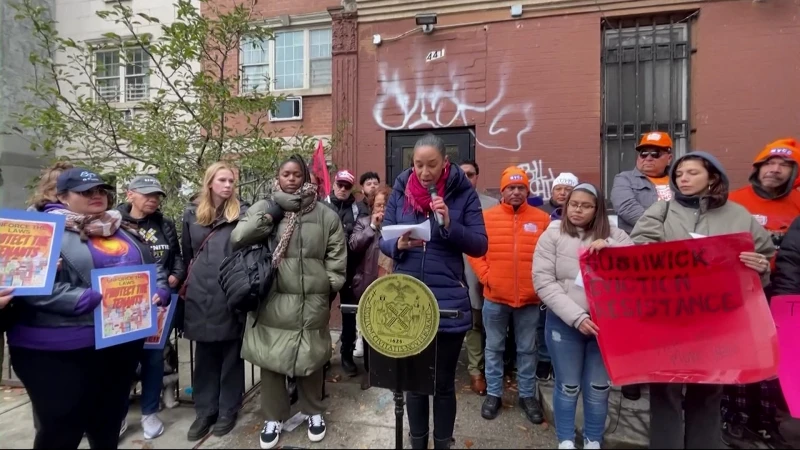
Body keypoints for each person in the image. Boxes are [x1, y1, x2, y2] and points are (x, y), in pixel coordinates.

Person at [7, 167, 169, 449]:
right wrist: (81, 298)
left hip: (118, 343)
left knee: (106, 423)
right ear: (62, 196)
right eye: (86, 192)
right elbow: (21, 282)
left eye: (100, 190)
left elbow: (150, 265)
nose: (96, 196)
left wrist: (159, 289)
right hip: (58, 350)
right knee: (62, 428)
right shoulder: (40, 228)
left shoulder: (121, 226)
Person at [630, 151, 774, 449]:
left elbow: (764, 261)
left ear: (713, 177)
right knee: (665, 393)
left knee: (709, 394)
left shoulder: (739, 215)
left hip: (718, 324)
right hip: (668, 320)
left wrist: (760, 269)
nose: (683, 178)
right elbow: (639, 255)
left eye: (692, 172)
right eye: (679, 173)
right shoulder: (661, 211)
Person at [379, 133, 488, 450]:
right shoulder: (401, 189)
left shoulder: (464, 194)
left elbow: (480, 245)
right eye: (418, 165)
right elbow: (384, 237)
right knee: (414, 384)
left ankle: (442, 443)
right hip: (407, 298)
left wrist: (450, 224)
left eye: (432, 165)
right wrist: (397, 244)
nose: (424, 173)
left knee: (441, 385)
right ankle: (417, 443)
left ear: (445, 163)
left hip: (447, 301)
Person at [230, 154, 346, 449]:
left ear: (305, 177)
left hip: (311, 301)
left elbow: (337, 256)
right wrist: (269, 213)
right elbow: (239, 236)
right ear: (277, 177)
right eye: (286, 174)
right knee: (271, 361)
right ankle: (273, 416)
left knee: (312, 359)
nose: (291, 179)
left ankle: (313, 412)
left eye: (297, 174)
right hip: (273, 299)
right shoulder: (267, 207)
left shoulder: (325, 214)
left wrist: (328, 285)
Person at [534, 183, 632, 450]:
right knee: (567, 385)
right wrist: (576, 317)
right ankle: (565, 439)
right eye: (573, 204)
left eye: (586, 205)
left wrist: (610, 247)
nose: (577, 209)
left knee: (598, 388)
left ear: (597, 209)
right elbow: (543, 282)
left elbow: (635, 266)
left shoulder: (617, 235)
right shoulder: (551, 236)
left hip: (605, 326)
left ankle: (593, 440)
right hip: (565, 324)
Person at [467, 166, 550, 424]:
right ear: (502, 191)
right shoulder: (487, 217)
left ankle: (526, 395)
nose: (516, 192)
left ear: (527, 190)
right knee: (493, 347)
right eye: (511, 188)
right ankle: (493, 393)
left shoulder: (542, 219)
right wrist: (487, 277)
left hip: (529, 299)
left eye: (520, 187)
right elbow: (474, 251)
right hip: (495, 296)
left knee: (527, 349)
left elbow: (549, 254)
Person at [181, 162, 247, 441]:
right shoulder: (191, 214)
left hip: (230, 292)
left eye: (231, 181)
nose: (228, 185)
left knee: (231, 356)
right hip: (200, 294)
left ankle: (227, 409)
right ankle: (205, 411)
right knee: (205, 357)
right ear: (210, 183)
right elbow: (186, 254)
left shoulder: (242, 213)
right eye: (222, 180)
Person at [117, 175, 186, 439]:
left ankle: (149, 412)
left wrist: (175, 277)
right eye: (147, 194)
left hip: (160, 300)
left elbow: (177, 257)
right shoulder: (113, 222)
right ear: (130, 194)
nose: (153, 199)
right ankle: (118, 415)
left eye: (156, 195)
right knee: (122, 361)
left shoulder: (164, 224)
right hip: (124, 301)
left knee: (154, 358)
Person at [610, 131, 674, 401]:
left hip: (672, 263)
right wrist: (668, 231)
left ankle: (660, 371)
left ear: (669, 157)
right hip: (638, 257)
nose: (647, 158)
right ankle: (632, 376)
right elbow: (626, 208)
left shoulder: (679, 181)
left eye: (655, 153)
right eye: (643, 153)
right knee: (634, 318)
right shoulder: (625, 179)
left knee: (665, 320)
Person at [322, 169, 369, 376]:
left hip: (350, 270)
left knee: (349, 315)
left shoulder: (359, 210)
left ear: (352, 189)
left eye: (347, 186)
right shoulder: (321, 206)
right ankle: (321, 356)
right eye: (340, 185)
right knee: (320, 315)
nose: (342, 189)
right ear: (333, 184)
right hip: (325, 269)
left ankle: (347, 356)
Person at [459, 160, 499, 396]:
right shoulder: (444, 204)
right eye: (461, 174)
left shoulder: (492, 205)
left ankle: (484, 369)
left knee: (484, 323)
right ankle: (474, 370)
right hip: (455, 272)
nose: (466, 178)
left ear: (477, 176)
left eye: (470, 174)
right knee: (466, 325)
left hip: (483, 271)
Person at [534, 171, 578, 382]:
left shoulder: (580, 214)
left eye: (568, 189)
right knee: (543, 322)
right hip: (546, 275)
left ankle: (563, 365)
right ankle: (544, 360)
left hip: (570, 277)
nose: (562, 193)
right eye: (559, 189)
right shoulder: (540, 212)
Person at [348, 184, 394, 390]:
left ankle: (389, 373)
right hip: (368, 284)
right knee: (369, 331)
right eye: (378, 205)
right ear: (371, 205)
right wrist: (373, 228)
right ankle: (370, 373)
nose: (381, 209)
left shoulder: (395, 225)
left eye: (385, 205)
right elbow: (354, 245)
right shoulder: (363, 223)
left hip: (391, 286)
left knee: (390, 331)